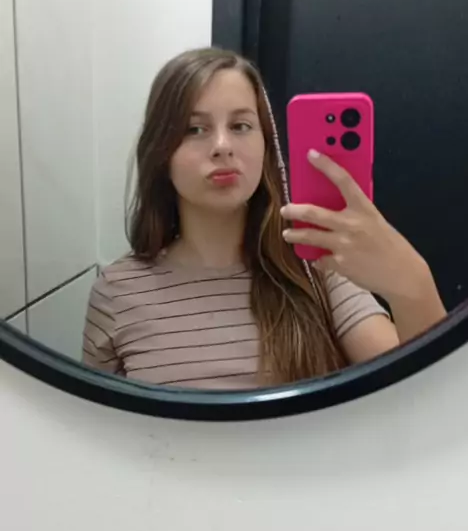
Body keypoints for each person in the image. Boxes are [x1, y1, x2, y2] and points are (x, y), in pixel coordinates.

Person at [82, 47, 446, 389]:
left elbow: (423, 393)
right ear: (161, 152)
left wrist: (412, 282)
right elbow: (95, 427)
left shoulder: (316, 269)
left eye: (240, 126)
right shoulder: (117, 292)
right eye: (195, 129)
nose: (223, 146)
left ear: (265, 145)